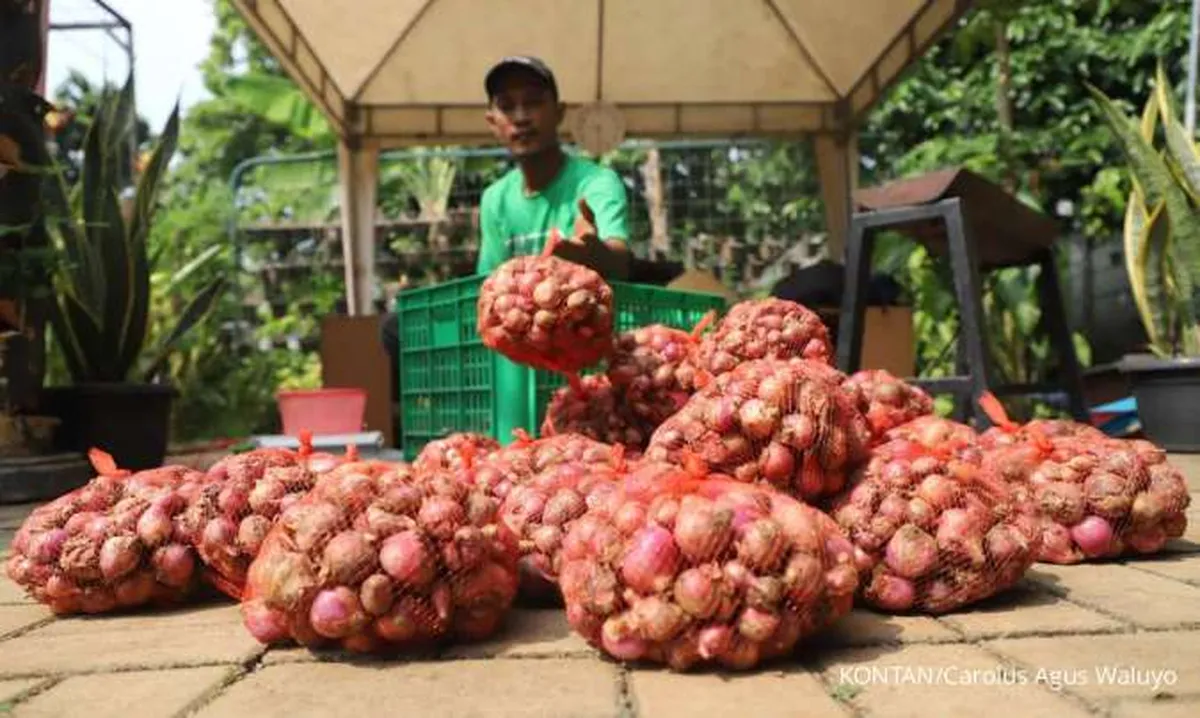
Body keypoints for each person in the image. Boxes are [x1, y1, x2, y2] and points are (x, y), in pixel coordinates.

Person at [477, 55, 631, 279]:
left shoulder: (597, 183)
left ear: (559, 112)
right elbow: (488, 284)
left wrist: (598, 255)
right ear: (492, 122)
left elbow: (620, 261)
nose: (521, 117)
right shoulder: (494, 199)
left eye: (533, 102)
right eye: (507, 106)